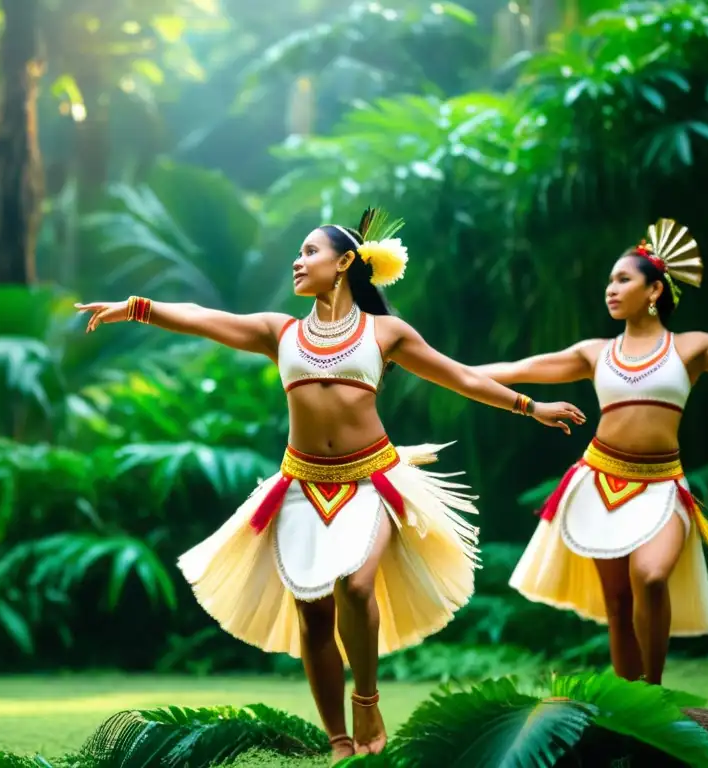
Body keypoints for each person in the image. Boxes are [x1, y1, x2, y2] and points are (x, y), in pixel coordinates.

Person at [76, 208, 585, 762]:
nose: (298, 261)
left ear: (344, 263)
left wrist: (530, 406)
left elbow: (459, 375)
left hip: (373, 479)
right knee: (312, 613)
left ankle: (366, 699)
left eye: (309, 252)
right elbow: (203, 316)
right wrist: (136, 308)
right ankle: (339, 740)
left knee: (357, 586)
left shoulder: (385, 332)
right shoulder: (281, 332)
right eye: (298, 253)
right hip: (300, 485)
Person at [477, 218, 708, 685]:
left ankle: (653, 692)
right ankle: (630, 715)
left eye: (623, 279)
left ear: (653, 291)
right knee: (618, 603)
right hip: (600, 480)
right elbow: (519, 367)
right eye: (609, 280)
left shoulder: (691, 348)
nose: (610, 288)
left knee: (650, 577)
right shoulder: (595, 352)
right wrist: (438, 367)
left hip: (663, 485)